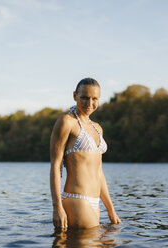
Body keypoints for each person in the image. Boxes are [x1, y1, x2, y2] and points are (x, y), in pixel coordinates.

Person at [50, 78, 121, 229]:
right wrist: (57, 207)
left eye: (94, 99)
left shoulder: (98, 128)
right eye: (84, 98)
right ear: (75, 96)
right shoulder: (67, 122)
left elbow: (99, 173)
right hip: (77, 199)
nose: (89, 103)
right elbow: (56, 166)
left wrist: (110, 209)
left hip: (95, 203)